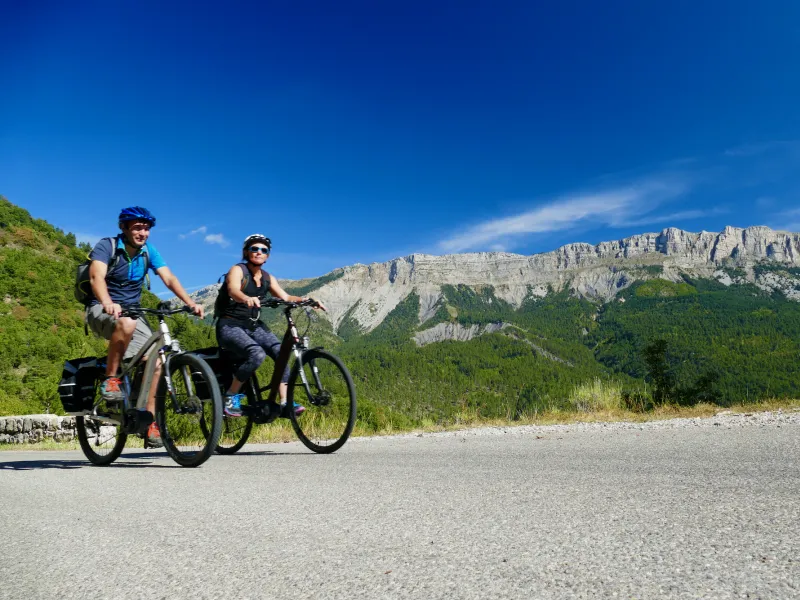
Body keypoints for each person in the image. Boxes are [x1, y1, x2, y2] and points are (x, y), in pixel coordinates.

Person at [86, 206, 204, 447]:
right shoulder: (107, 246)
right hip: (101, 308)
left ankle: (149, 421)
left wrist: (190, 302)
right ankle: (111, 379)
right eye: (138, 228)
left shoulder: (149, 251)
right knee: (127, 323)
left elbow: (169, 278)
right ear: (124, 228)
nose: (143, 233)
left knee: (157, 361)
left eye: (147, 228)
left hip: (132, 312)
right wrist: (107, 302)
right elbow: (96, 277)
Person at [215, 233, 326, 418]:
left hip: (252, 325)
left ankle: (285, 402)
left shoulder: (267, 278)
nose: (259, 252)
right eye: (254, 248)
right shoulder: (238, 270)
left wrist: (307, 300)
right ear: (246, 252)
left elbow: (286, 297)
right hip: (229, 325)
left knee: (281, 352)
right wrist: (246, 298)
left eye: (264, 250)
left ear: (267, 255)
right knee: (256, 354)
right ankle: (230, 396)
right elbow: (233, 290)